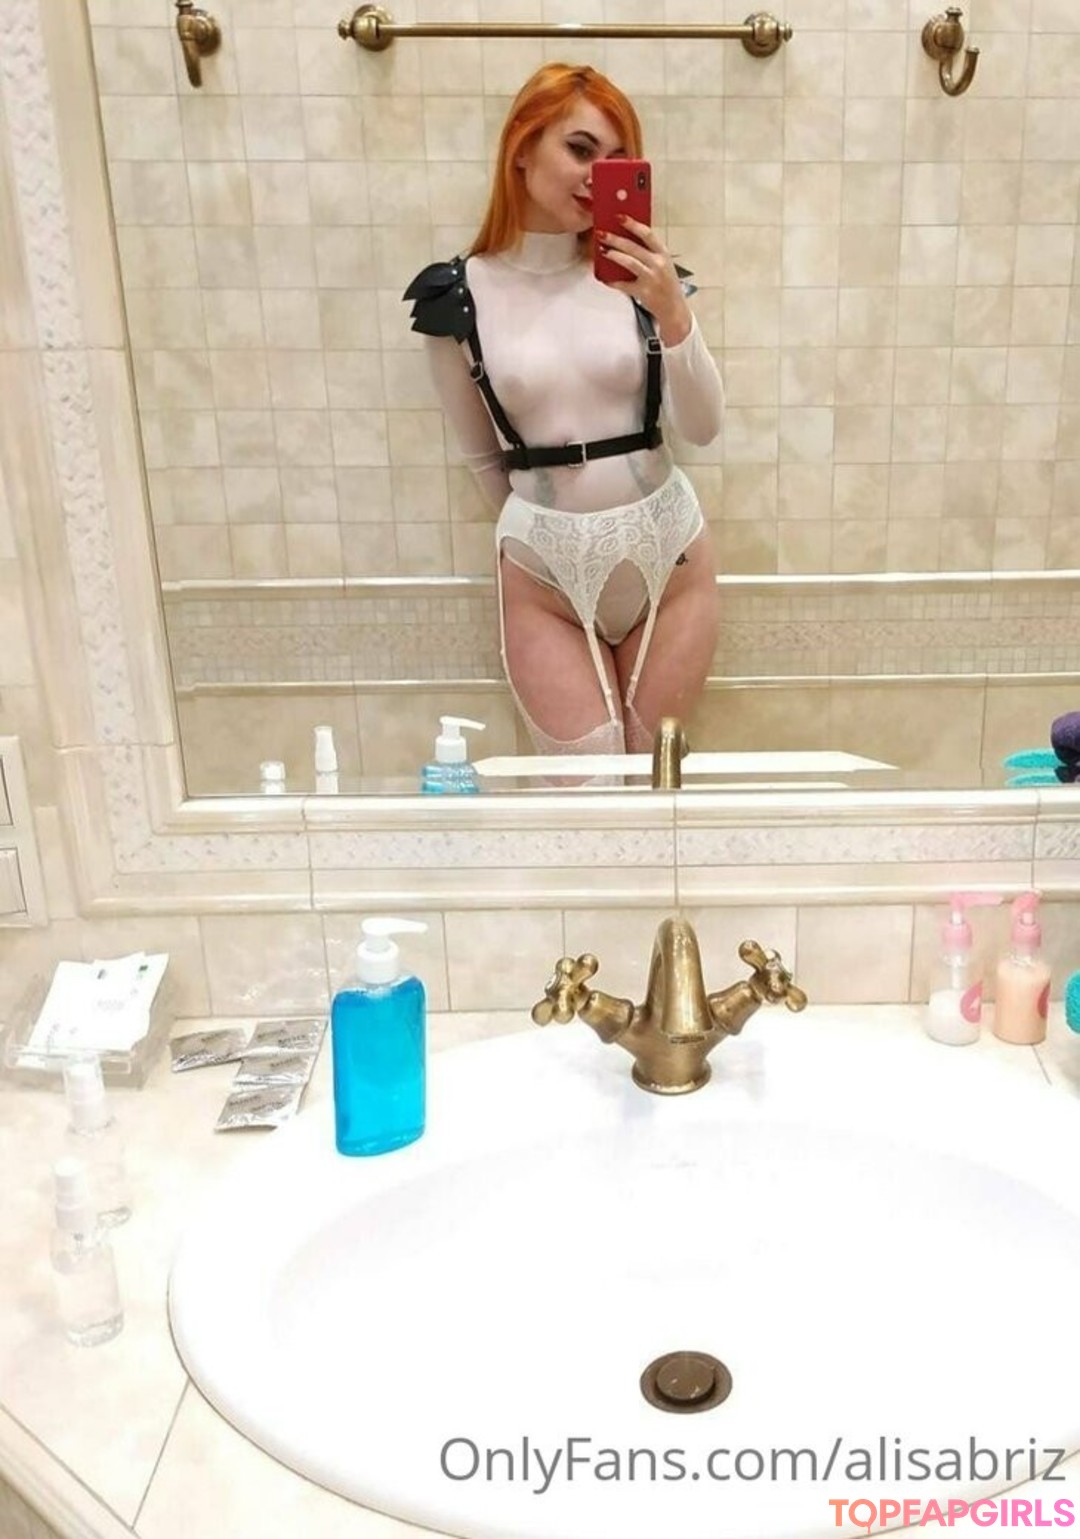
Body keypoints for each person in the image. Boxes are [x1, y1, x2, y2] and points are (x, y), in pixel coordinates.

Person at [404, 63, 724, 769]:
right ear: (522, 146)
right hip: (542, 567)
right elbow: (481, 456)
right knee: (584, 793)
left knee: (656, 783)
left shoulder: (644, 281)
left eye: (616, 160)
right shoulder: (457, 299)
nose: (595, 175)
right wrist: (549, 527)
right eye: (580, 150)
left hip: (667, 551)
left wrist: (673, 312)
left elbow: (702, 427)